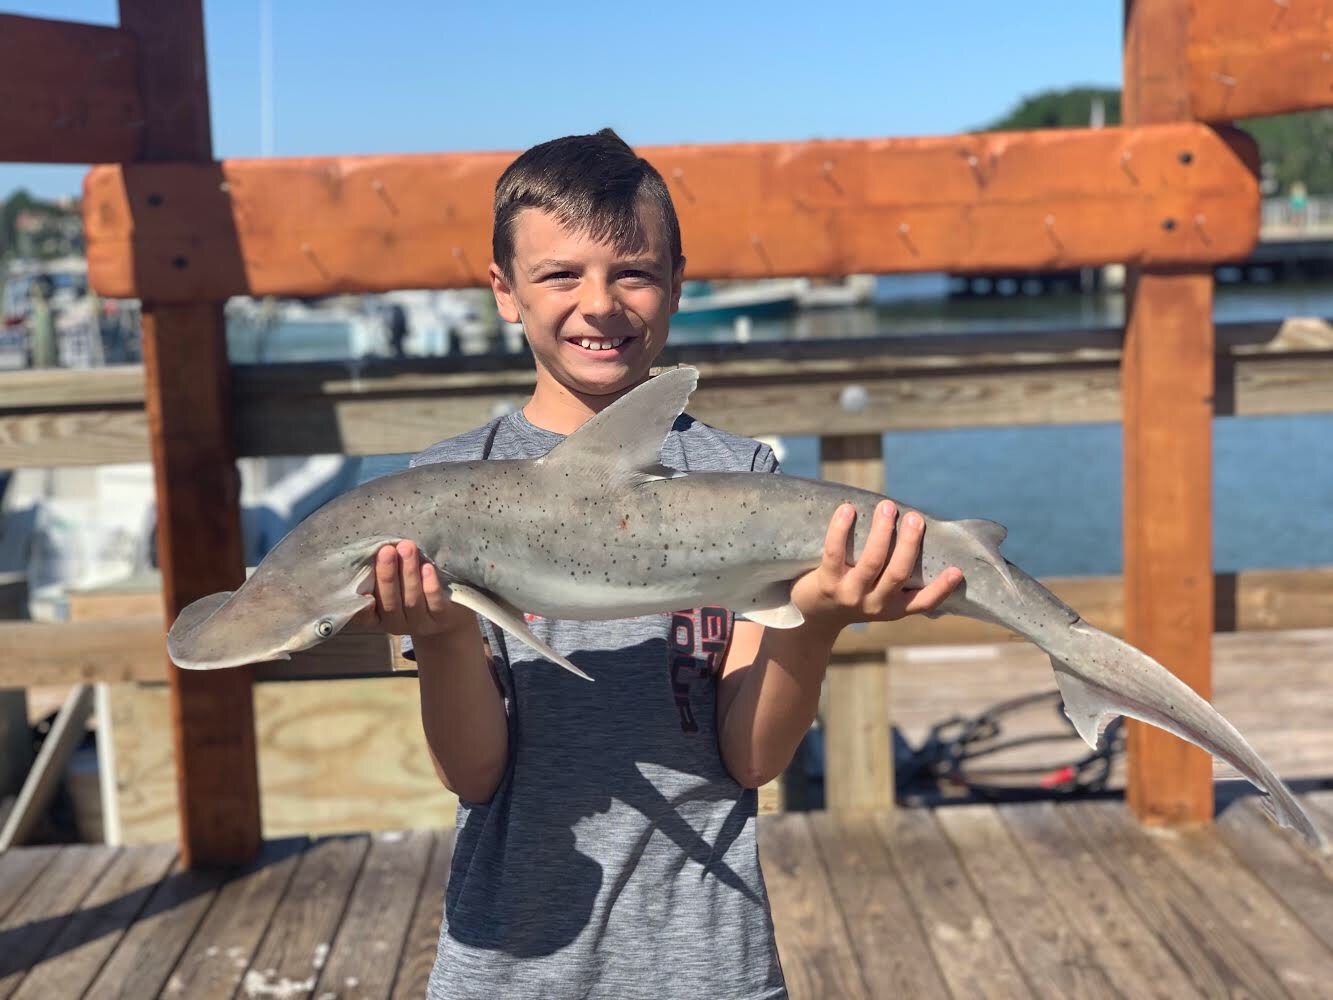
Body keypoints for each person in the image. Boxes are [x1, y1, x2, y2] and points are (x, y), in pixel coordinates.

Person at [355, 129, 963, 999]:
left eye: (632, 273)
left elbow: (750, 760)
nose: (598, 304)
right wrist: (447, 639)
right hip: (508, 961)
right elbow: (474, 775)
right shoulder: (436, 497)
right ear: (504, 291)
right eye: (560, 275)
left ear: (678, 282)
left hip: (709, 956)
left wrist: (818, 617)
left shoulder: (740, 477)